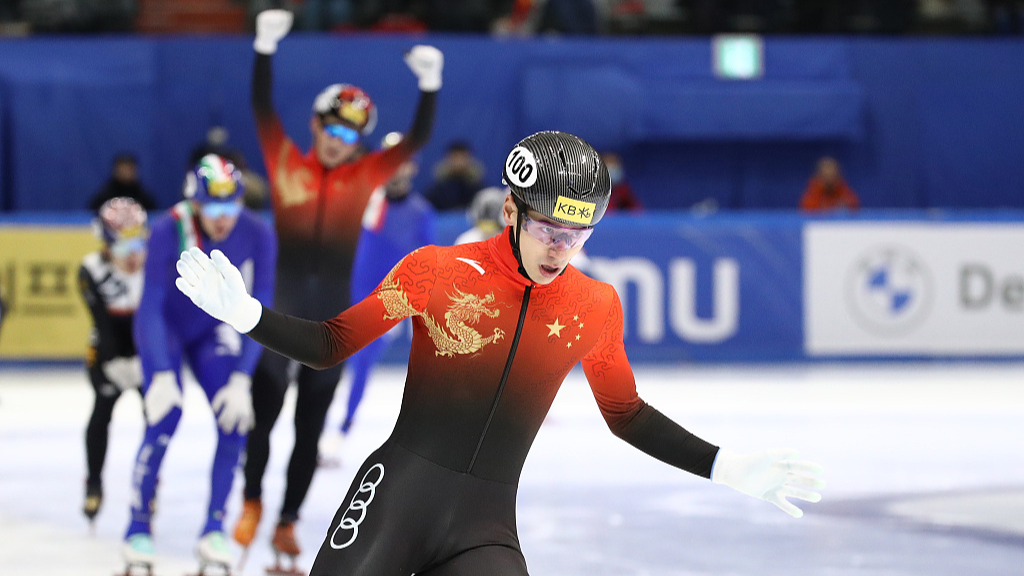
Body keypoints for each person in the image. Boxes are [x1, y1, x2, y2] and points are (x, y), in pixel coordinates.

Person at [175, 131, 825, 576]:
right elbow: (331, 344)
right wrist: (248, 316)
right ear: (511, 211)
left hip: (483, 530)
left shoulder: (594, 306)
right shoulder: (437, 271)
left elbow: (625, 414)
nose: (559, 249)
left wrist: (723, 466)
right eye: (548, 229)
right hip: (397, 496)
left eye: (577, 235)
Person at [238, 9, 442, 567]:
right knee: (264, 416)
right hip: (279, 316)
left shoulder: (364, 175)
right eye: (333, 128)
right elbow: (261, 107)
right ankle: (253, 500)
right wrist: (263, 48)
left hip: (330, 324)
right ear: (316, 125)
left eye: (351, 134)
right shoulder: (285, 164)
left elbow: (418, 138)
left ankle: (286, 521)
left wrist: (430, 83)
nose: (339, 140)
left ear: (359, 142)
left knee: (309, 431)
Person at [121, 154, 276, 573]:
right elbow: (151, 304)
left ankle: (213, 528)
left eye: (230, 208)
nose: (223, 219)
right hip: (166, 329)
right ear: (193, 204)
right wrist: (161, 373)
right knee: (164, 418)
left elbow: (260, 304)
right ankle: (137, 527)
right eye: (212, 209)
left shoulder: (258, 231)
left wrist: (243, 378)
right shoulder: (169, 227)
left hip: (211, 330)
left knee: (233, 419)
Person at [318, 131, 437, 467]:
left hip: (389, 305)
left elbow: (429, 264)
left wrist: (409, 307)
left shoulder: (420, 213)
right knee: (325, 362)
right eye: (390, 165)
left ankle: (338, 433)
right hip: (348, 297)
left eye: (402, 165)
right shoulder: (365, 200)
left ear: (412, 169)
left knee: (362, 367)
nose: (396, 171)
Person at [79, 197, 148, 525]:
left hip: (147, 352)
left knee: (157, 418)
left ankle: (150, 483)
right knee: (101, 412)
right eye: (122, 245)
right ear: (105, 242)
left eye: (138, 242)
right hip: (107, 353)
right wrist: (111, 361)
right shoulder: (90, 269)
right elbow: (103, 327)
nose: (133, 254)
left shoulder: (156, 265)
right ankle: (93, 483)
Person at [425, 140, 485, 211]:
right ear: (448, 159)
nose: (459, 162)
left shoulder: (479, 189)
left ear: (469, 159)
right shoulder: (437, 190)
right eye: (455, 157)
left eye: (462, 157)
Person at [88, 153, 158, 212]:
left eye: (129, 169)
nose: (126, 172)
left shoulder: (144, 199)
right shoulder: (104, 197)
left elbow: (152, 216)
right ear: (115, 171)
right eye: (123, 168)